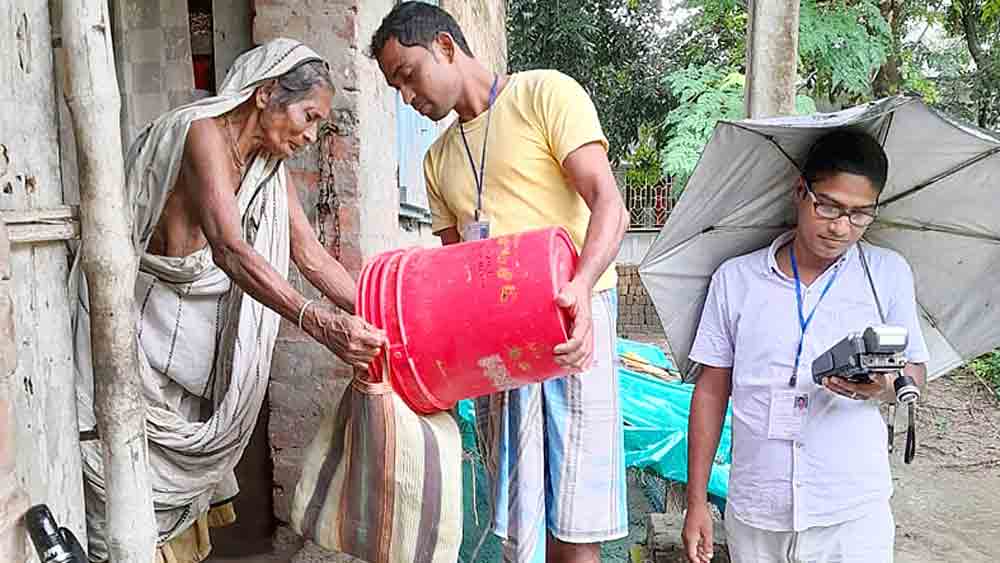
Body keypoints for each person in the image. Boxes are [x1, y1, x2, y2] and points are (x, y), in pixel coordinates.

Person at [71, 39, 386, 563]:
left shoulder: (267, 168)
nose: (310, 135)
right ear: (265, 95)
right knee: (125, 502)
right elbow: (230, 250)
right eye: (308, 117)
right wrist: (316, 320)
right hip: (139, 357)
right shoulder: (200, 134)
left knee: (174, 516)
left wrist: (381, 314)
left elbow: (311, 257)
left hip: (194, 380)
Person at [370, 4, 629, 562]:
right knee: (517, 517)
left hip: (571, 327)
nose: (408, 96)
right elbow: (455, 275)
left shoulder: (544, 94)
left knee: (576, 523)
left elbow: (609, 201)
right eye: (396, 87)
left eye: (409, 75)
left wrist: (581, 288)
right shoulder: (436, 160)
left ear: (444, 46)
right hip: (501, 351)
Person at [682, 130, 929, 563]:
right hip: (758, 511)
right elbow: (710, 390)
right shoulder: (736, 279)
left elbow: (914, 373)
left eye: (859, 215)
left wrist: (884, 387)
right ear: (801, 190)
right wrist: (697, 500)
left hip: (852, 515)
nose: (840, 226)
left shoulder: (887, 275)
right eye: (829, 206)